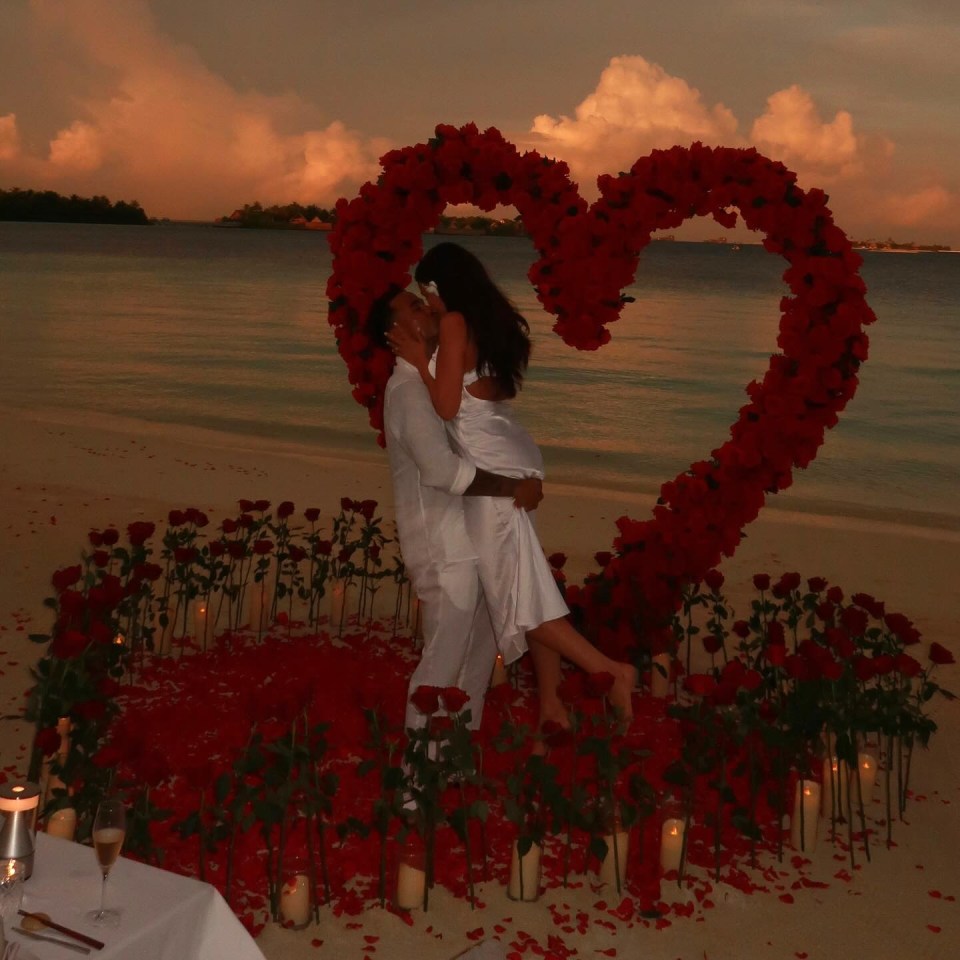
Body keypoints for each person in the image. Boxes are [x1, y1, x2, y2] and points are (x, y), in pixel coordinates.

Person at [389, 242, 637, 724]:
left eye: (427, 293)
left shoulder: (457, 323)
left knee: (514, 590)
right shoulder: (490, 322)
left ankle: (609, 671)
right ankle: (551, 705)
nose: (430, 304)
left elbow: (446, 409)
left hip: (496, 471)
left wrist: (421, 363)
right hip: (515, 455)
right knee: (527, 579)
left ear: (440, 286)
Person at [368, 286, 543, 735]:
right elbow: (442, 471)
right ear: (395, 332)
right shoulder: (406, 391)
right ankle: (416, 779)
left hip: (473, 537)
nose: (426, 308)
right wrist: (511, 488)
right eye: (413, 307)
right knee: (442, 662)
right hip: (443, 547)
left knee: (479, 660)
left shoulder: (435, 376)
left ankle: (456, 762)